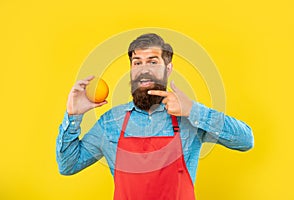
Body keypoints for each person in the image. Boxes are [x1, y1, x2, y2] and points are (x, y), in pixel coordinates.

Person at [56, 33, 254, 200]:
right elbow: (68, 166)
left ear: (168, 68)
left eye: (153, 61)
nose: (144, 69)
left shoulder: (190, 118)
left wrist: (193, 110)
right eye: (137, 62)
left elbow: (245, 140)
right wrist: (73, 116)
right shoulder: (111, 122)